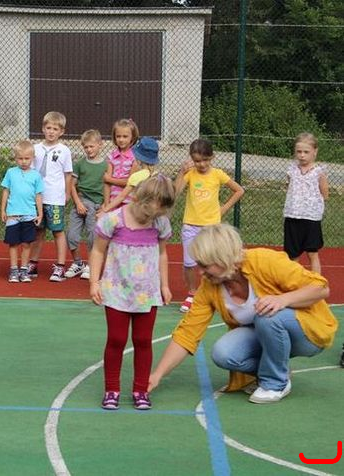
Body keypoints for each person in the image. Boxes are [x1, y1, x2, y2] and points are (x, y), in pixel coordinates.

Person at [149, 223, 338, 404]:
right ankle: (278, 370)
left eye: (205, 265)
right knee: (223, 353)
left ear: (223, 259)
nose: (200, 272)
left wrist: (282, 300)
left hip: (308, 334)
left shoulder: (264, 260)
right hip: (267, 333)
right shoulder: (209, 286)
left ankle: (275, 384)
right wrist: (157, 375)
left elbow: (321, 288)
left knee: (267, 315)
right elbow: (187, 333)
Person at [89, 174, 176, 411]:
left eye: (159, 212)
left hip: (147, 292)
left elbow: (162, 254)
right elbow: (98, 251)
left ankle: (140, 390)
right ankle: (111, 389)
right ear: (139, 199)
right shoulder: (113, 220)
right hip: (116, 289)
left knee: (143, 340)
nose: (152, 217)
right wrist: (94, 282)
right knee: (116, 339)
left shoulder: (159, 223)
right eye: (150, 211)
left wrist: (165, 285)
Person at [174, 138, 244, 313]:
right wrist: (181, 173)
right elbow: (175, 193)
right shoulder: (190, 174)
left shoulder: (218, 174)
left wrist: (224, 208)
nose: (202, 164)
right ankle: (192, 293)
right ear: (192, 159)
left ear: (212, 157)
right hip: (190, 225)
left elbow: (239, 190)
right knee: (189, 263)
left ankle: (218, 292)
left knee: (215, 261)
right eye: (197, 161)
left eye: (205, 160)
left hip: (211, 228)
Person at [25, 111, 73, 282]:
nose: (51, 132)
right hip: (38, 198)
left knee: (57, 231)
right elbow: (30, 171)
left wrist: (67, 193)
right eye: (49, 128)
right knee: (38, 231)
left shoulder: (64, 150)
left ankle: (60, 266)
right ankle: (32, 263)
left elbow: (68, 174)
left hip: (55, 198)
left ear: (61, 131)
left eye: (55, 129)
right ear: (43, 129)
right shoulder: (36, 149)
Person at [64, 129, 107, 280]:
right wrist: (78, 203)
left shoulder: (106, 165)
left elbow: (108, 187)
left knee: (92, 236)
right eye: (86, 147)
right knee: (71, 235)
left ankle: (91, 265)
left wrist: (104, 205)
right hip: (81, 202)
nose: (89, 149)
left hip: (96, 206)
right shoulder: (80, 164)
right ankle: (78, 263)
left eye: (91, 146)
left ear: (100, 145)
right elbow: (72, 185)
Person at [283, 132, 328, 275]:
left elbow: (325, 193)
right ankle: (293, 281)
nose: (302, 155)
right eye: (299, 152)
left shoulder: (319, 172)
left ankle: (316, 281)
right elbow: (289, 186)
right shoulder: (291, 169)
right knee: (293, 255)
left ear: (315, 152)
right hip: (292, 216)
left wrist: (312, 205)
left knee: (312, 252)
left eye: (306, 152)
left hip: (311, 218)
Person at [0, 140, 44, 283]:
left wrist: (40, 213)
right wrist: (3, 210)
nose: (24, 161)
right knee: (13, 243)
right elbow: (6, 191)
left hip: (29, 215)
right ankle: (14, 270)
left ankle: (24, 270)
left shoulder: (36, 175)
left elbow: (38, 195)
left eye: (27, 158)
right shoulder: (11, 173)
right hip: (13, 215)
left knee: (26, 244)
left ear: (32, 158)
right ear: (15, 158)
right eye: (20, 158)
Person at [99, 136, 161, 215]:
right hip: (153, 213)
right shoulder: (157, 176)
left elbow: (122, 197)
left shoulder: (136, 177)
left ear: (138, 158)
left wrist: (105, 210)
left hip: (138, 213)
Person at [102, 118, 139, 209]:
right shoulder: (111, 157)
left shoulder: (134, 158)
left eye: (125, 136)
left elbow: (129, 182)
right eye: (118, 136)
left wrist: (110, 179)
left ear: (132, 137)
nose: (121, 140)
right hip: (112, 202)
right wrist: (106, 205)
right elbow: (106, 183)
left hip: (128, 202)